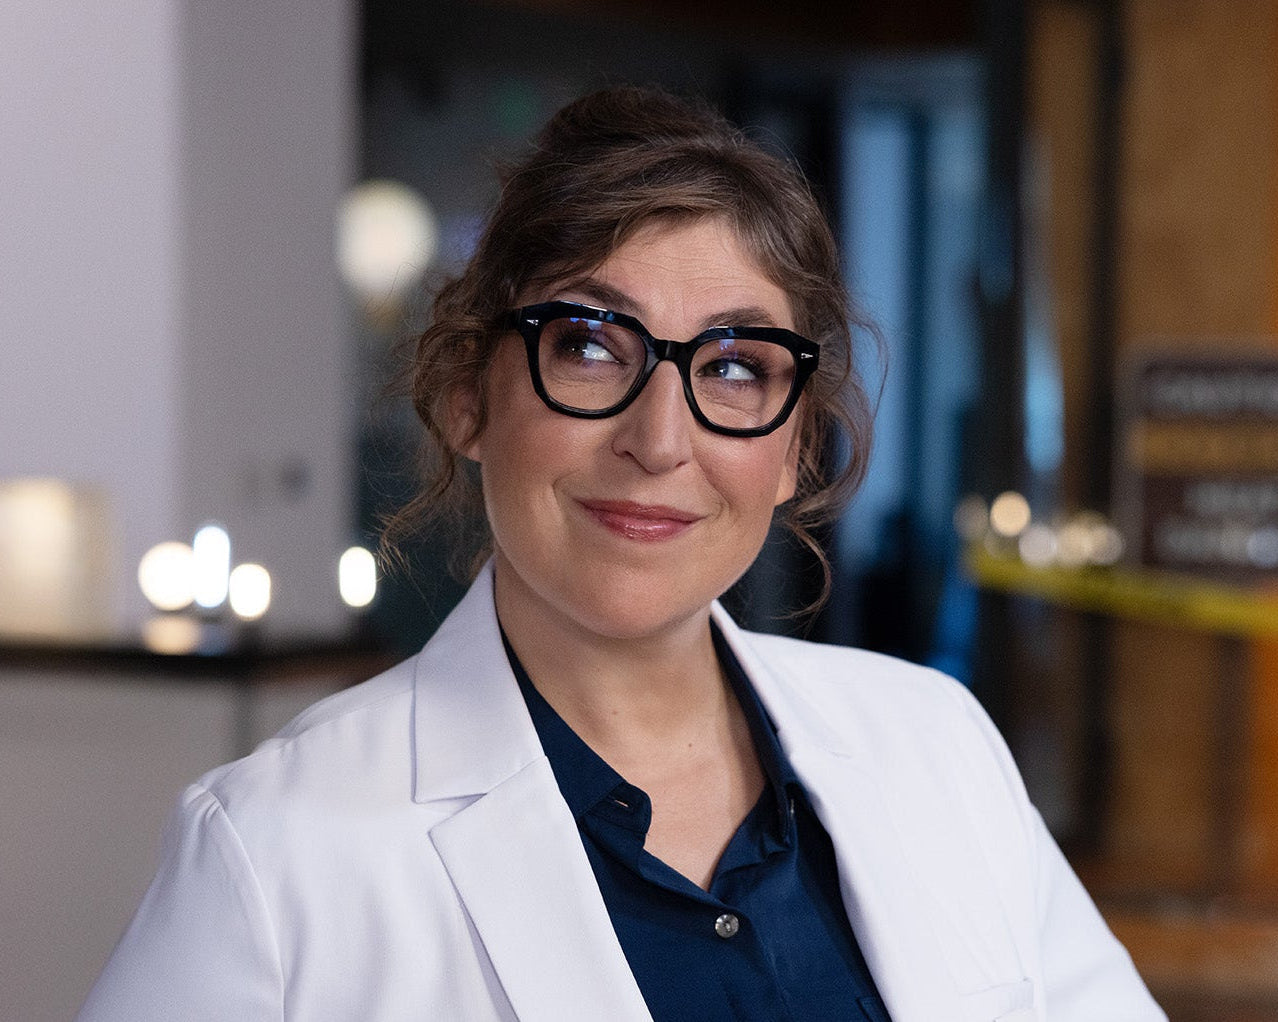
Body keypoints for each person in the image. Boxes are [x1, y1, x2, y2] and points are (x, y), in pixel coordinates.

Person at [78, 85, 1164, 1022]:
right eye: (591, 346)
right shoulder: (272, 853)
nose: (659, 439)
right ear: (467, 392)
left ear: (792, 444)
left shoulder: (937, 748)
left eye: (735, 367)